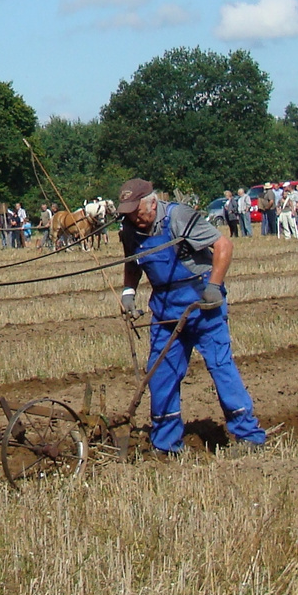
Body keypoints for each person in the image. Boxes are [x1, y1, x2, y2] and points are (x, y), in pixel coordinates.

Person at [117, 179, 267, 454]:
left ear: (152, 202)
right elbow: (133, 263)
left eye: (136, 211)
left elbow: (223, 246)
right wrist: (128, 292)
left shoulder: (179, 216)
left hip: (201, 303)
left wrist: (213, 287)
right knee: (161, 373)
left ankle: (248, 436)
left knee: (220, 366)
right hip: (165, 308)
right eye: (127, 213)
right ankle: (165, 444)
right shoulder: (129, 228)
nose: (133, 218)